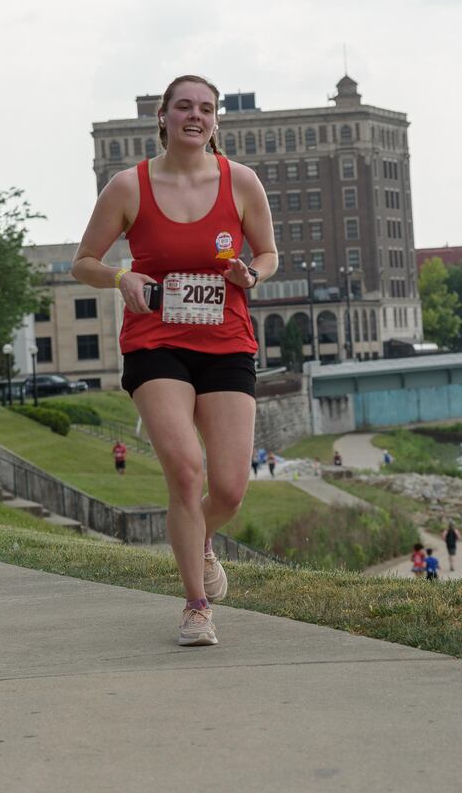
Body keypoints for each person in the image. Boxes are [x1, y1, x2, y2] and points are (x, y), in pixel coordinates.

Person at [70, 73, 276, 648]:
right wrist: (120, 275)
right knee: (185, 470)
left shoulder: (241, 182)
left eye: (206, 109)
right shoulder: (127, 187)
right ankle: (195, 605)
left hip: (227, 341)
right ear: (162, 117)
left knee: (230, 489)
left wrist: (251, 274)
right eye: (183, 106)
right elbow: (82, 262)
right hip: (155, 341)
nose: (195, 116)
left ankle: (196, 539)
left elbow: (269, 251)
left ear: (216, 121)